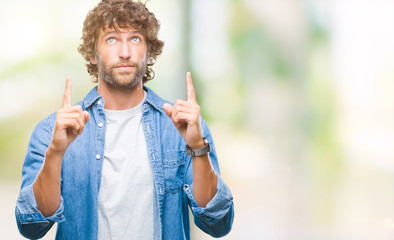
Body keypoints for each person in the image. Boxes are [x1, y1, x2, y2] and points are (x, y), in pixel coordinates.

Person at [15, 0, 234, 239]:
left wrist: (197, 147)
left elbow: (218, 224)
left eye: (135, 39)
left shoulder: (183, 128)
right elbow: (31, 227)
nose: (125, 52)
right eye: (111, 39)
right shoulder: (52, 132)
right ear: (92, 54)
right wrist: (55, 152)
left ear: (149, 53)